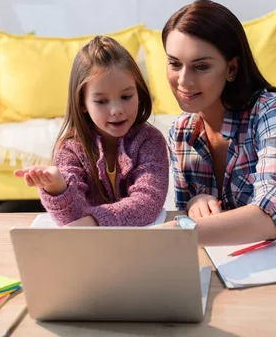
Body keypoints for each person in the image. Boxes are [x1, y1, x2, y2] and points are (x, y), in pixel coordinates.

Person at [157, 0, 276, 245]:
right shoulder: (181, 133)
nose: (184, 80)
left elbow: (270, 216)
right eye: (174, 64)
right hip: (262, 257)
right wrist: (195, 204)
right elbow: (196, 226)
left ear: (232, 69)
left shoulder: (274, 112)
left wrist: (170, 233)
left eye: (201, 66)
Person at [14, 36, 169, 227]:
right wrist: (58, 188)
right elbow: (72, 221)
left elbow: (147, 203)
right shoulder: (70, 148)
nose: (116, 110)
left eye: (126, 96)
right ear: (82, 103)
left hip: (139, 244)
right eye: (102, 101)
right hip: (89, 248)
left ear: (139, 93)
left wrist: (95, 221)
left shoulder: (150, 141)